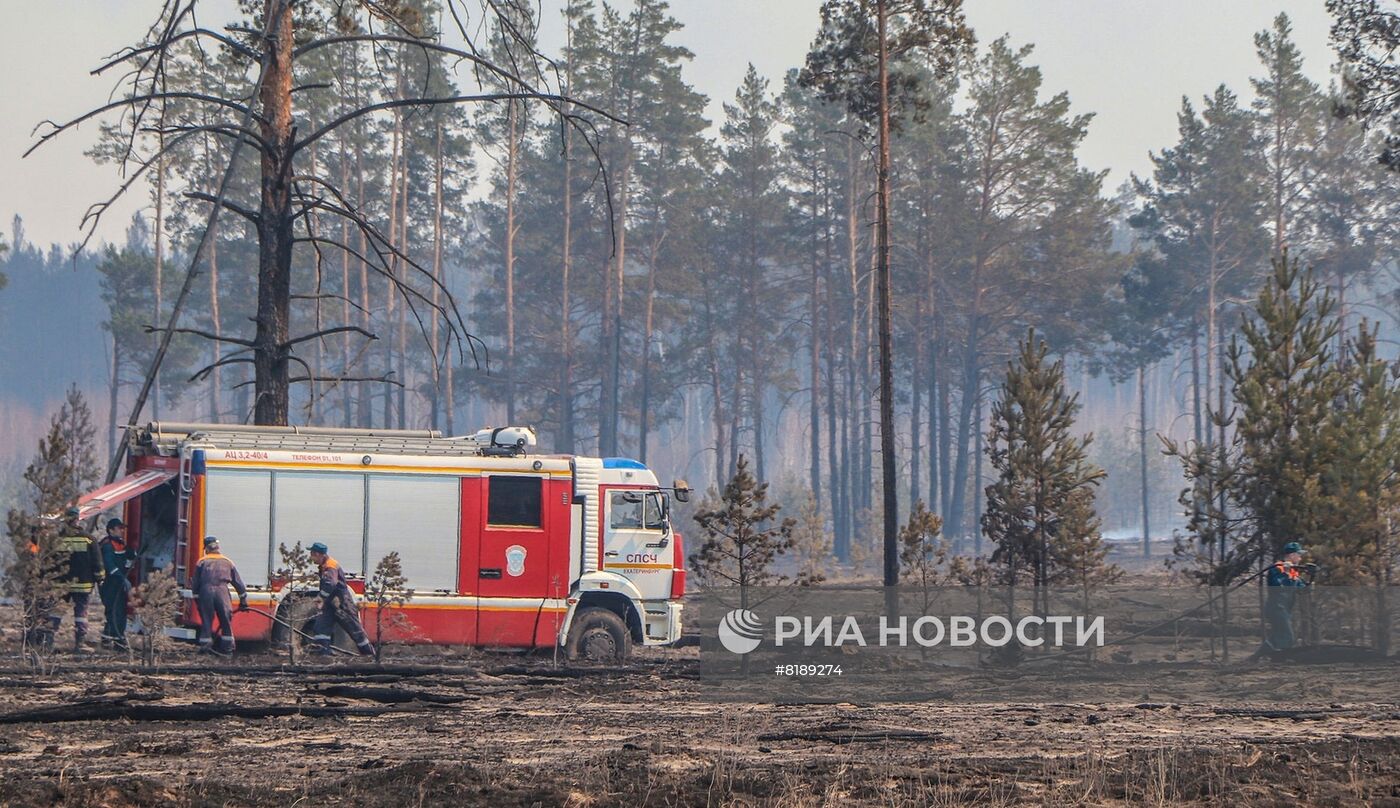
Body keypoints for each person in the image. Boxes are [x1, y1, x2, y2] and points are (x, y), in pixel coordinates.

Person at [307, 542, 374, 657]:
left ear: (318, 554)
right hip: (330, 604)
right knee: (321, 628)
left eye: (312, 554)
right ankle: (323, 655)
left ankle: (370, 655)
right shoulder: (325, 565)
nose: (310, 557)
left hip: (342, 604)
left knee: (355, 631)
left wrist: (321, 597)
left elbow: (330, 583)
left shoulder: (330, 566)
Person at [52, 509, 104, 651]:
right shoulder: (89, 539)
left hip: (61, 584)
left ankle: (48, 640)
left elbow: (50, 562)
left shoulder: (57, 539)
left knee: (57, 610)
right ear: (78, 519)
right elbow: (97, 563)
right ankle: (79, 644)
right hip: (83, 584)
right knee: (81, 613)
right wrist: (100, 578)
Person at [191, 536, 248, 654]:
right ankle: (227, 650)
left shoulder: (202, 562)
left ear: (206, 548)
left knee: (206, 621)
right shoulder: (228, 562)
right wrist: (243, 600)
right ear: (218, 547)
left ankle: (205, 649)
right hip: (222, 592)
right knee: (226, 621)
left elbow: (195, 584)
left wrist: (197, 600)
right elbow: (238, 583)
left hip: (205, 592)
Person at [1264, 541, 1314, 651]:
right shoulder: (1276, 569)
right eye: (1299, 555)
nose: (1300, 558)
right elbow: (1278, 586)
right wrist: (1286, 573)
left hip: (1284, 609)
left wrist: (1310, 579)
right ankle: (1280, 660)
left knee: (1277, 636)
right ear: (1292, 555)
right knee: (1287, 637)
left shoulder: (1293, 572)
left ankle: (1256, 657)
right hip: (1276, 608)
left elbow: (1302, 590)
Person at [98, 518, 135, 650]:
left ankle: (111, 638)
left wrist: (134, 553)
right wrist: (122, 579)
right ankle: (117, 640)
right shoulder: (107, 545)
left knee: (119, 611)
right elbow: (110, 566)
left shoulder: (119, 544)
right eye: (119, 528)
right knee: (114, 611)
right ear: (111, 530)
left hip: (118, 583)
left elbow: (128, 554)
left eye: (122, 528)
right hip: (110, 584)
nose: (122, 530)